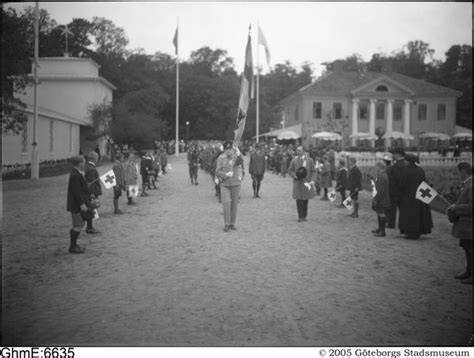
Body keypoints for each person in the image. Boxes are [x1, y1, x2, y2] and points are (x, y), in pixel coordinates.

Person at [446, 162, 472, 284]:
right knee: (466, 248)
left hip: (469, 223)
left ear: (464, 171)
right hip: (465, 223)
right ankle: (469, 271)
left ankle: (472, 274)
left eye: (459, 172)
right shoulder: (467, 184)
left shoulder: (471, 185)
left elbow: (472, 206)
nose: (459, 175)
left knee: (471, 249)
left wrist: (456, 207)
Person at [398, 154, 433, 240]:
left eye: (405, 160)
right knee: (418, 214)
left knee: (409, 215)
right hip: (419, 196)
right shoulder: (420, 170)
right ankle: (417, 232)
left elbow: (402, 184)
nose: (404, 162)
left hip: (408, 196)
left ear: (408, 161)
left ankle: (410, 232)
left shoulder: (406, 170)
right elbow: (424, 183)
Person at [216, 141, 244, 232]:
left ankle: (232, 223)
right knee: (226, 204)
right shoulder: (221, 158)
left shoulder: (236, 157)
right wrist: (225, 174)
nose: (229, 151)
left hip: (235, 183)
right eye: (227, 149)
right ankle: (227, 224)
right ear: (224, 150)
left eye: (230, 149)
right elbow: (217, 171)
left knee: (234, 204)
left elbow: (241, 161)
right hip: (225, 184)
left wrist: (238, 153)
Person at [66, 155, 90, 253]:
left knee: (78, 224)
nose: (84, 164)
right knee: (78, 224)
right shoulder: (75, 175)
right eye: (84, 162)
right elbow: (76, 191)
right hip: (76, 204)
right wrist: (82, 203)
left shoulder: (76, 173)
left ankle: (74, 244)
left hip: (76, 203)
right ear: (80, 163)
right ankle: (72, 246)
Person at [288, 146, 317, 222]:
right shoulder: (294, 160)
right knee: (298, 199)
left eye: (300, 150)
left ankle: (304, 215)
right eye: (297, 150)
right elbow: (290, 170)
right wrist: (294, 176)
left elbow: (314, 171)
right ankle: (300, 216)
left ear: (303, 151)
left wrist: (312, 180)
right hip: (297, 183)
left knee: (305, 199)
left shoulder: (309, 160)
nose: (298, 152)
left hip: (306, 183)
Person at [386, 148, 406, 228]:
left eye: (394, 154)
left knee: (393, 208)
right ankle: (402, 224)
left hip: (395, 190)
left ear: (398, 154)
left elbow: (398, 178)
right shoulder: (402, 163)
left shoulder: (398, 165)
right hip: (400, 190)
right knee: (402, 208)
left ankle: (391, 223)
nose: (393, 156)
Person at [371, 160, 391, 237]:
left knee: (381, 214)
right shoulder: (382, 175)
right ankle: (380, 228)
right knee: (379, 213)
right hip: (382, 197)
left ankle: (382, 231)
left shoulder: (382, 176)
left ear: (379, 167)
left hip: (382, 198)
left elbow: (381, 190)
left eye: (376, 166)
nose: (375, 168)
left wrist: (376, 199)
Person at [84, 151, 102, 234]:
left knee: (91, 209)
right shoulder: (92, 169)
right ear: (94, 159)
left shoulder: (87, 166)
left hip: (87, 191)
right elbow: (90, 182)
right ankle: (89, 227)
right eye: (97, 158)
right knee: (91, 209)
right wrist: (92, 194)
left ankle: (89, 226)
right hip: (91, 192)